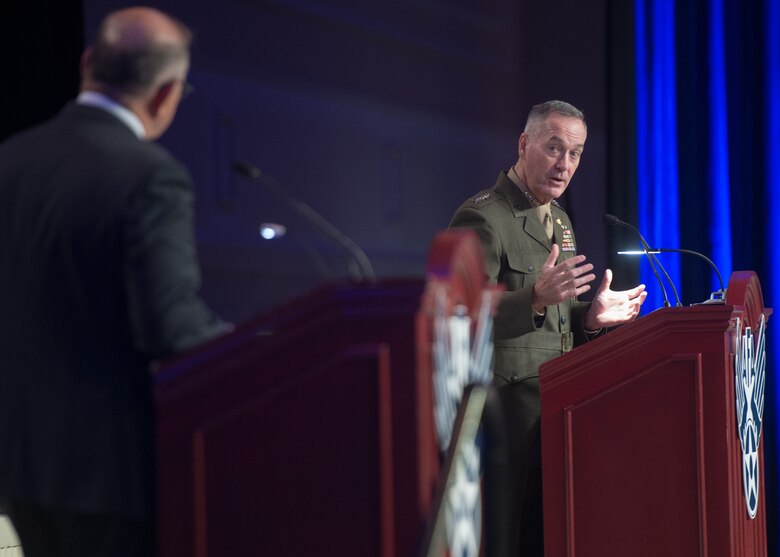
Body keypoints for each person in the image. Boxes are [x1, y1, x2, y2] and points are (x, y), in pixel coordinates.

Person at [0, 7, 230, 556]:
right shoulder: (150, 176)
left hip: (21, 467)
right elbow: (171, 329)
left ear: (88, 64)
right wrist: (253, 346)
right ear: (165, 94)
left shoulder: (9, 159)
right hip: (109, 478)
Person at [448, 100, 647, 556]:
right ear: (524, 144)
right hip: (505, 418)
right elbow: (460, 315)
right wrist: (534, 297)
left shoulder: (559, 218)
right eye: (554, 148)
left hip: (558, 410)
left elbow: (557, 318)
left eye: (575, 153)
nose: (565, 165)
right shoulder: (483, 216)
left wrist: (590, 317)